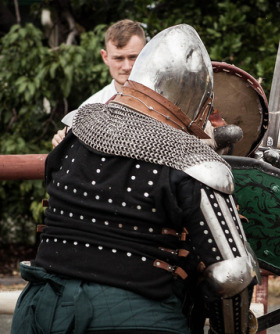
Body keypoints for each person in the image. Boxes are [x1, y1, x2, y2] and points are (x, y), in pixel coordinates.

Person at [12, 24, 258, 334]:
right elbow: (233, 275)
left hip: (37, 307)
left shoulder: (79, 126)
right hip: (129, 314)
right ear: (196, 97)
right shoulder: (193, 159)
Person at [51, 19, 146, 147]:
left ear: (145, 54)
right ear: (105, 57)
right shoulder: (89, 109)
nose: (126, 66)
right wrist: (62, 143)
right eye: (118, 58)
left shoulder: (168, 100)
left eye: (133, 57)